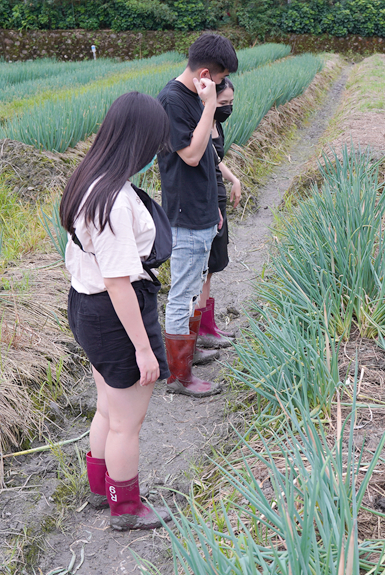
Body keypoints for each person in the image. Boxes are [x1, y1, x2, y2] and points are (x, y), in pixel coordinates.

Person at [61, 91, 174, 531]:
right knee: (128, 421)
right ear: (139, 143)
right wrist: (144, 350)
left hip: (87, 307)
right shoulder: (114, 202)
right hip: (114, 313)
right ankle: (126, 508)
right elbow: (118, 282)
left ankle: (100, 488)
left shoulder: (88, 180)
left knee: (107, 407)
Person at [157, 32, 238, 397]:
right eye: (220, 79)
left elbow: (206, 158)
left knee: (192, 289)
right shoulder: (174, 100)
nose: (221, 89)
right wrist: (208, 106)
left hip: (202, 210)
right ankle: (179, 376)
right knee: (182, 292)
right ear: (206, 73)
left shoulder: (193, 97)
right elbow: (190, 154)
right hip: (184, 214)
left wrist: (214, 210)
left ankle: (189, 353)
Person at [196, 77, 242, 350]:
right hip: (206, 199)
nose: (226, 108)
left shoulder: (216, 123)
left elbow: (215, 160)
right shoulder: (200, 123)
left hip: (218, 196)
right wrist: (211, 204)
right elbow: (199, 167)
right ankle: (200, 329)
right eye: (222, 102)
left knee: (212, 267)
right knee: (203, 269)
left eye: (230, 103)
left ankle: (208, 326)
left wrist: (234, 178)